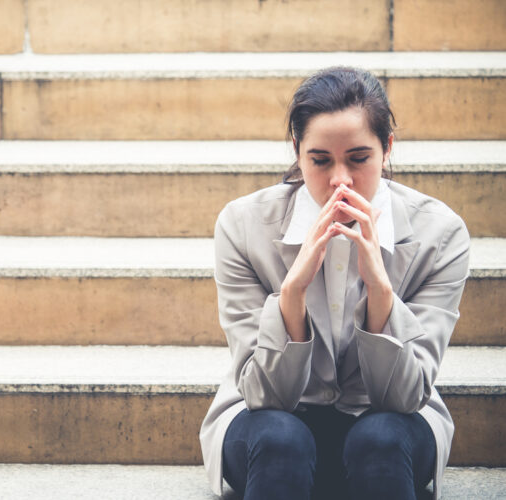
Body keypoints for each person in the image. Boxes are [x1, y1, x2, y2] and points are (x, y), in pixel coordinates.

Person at [199, 67, 470, 500]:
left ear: (387, 149)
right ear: (297, 151)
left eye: (359, 158)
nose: (339, 180)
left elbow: (405, 396)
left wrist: (380, 294)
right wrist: (291, 296)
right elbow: (263, 394)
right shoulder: (242, 225)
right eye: (320, 160)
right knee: (279, 440)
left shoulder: (441, 233)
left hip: (388, 424)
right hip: (269, 424)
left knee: (380, 439)